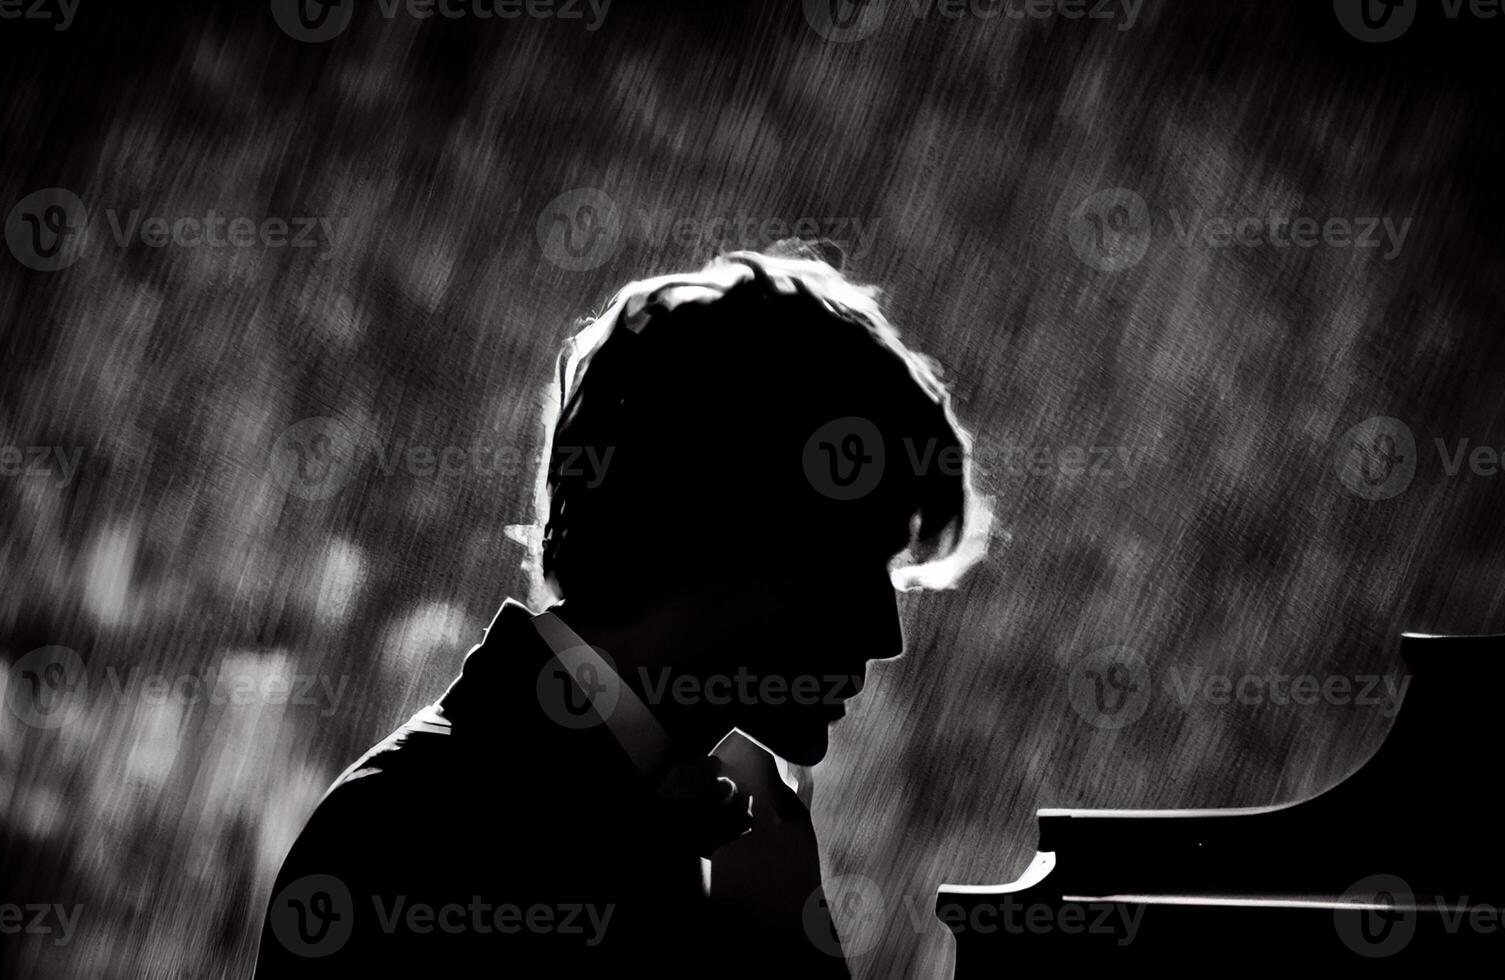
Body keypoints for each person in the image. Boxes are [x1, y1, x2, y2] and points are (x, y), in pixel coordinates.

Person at [254, 242, 989, 977]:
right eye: (853, 568)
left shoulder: (663, 817)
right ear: (711, 524)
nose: (883, 635)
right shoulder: (417, 839)